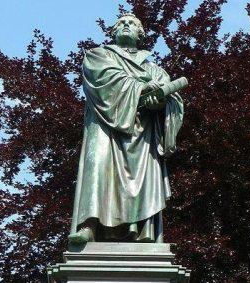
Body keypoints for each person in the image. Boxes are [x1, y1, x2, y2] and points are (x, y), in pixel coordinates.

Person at [68, 13, 184, 244]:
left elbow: (173, 100)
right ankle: (89, 226)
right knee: (98, 167)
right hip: (104, 126)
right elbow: (105, 79)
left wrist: (161, 102)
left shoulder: (155, 69)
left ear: (140, 34)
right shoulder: (97, 56)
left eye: (132, 23)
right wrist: (142, 88)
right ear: (113, 31)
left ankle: (142, 232)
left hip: (142, 134)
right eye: (121, 23)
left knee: (142, 178)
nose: (127, 25)